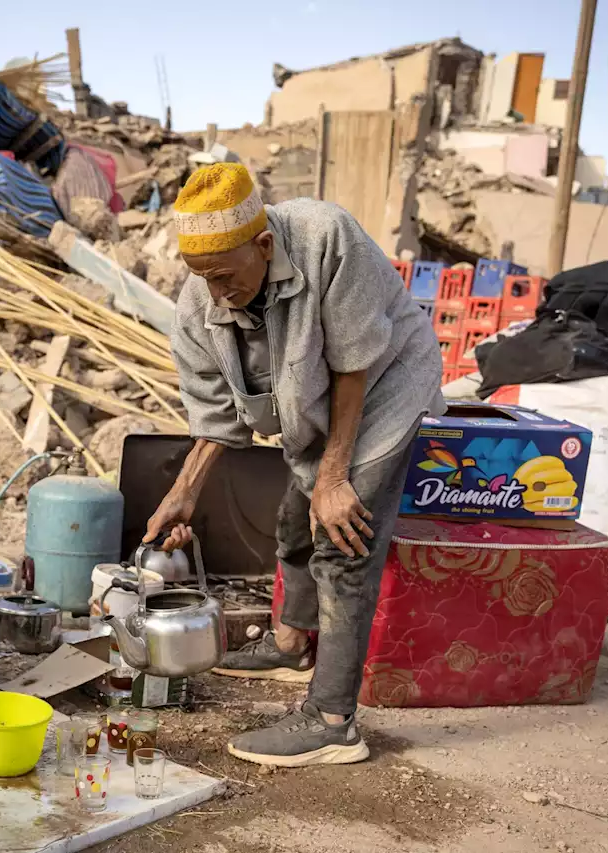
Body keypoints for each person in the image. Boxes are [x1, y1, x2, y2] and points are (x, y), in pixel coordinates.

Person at [143, 164, 444, 768]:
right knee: (292, 520)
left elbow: (352, 366)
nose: (217, 294)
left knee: (340, 538)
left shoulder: (326, 237)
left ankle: (334, 722)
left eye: (226, 278)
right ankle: (289, 644)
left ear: (264, 245)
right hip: (311, 402)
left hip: (383, 388)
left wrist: (333, 479)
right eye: (203, 280)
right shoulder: (199, 305)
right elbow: (217, 420)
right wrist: (182, 494)